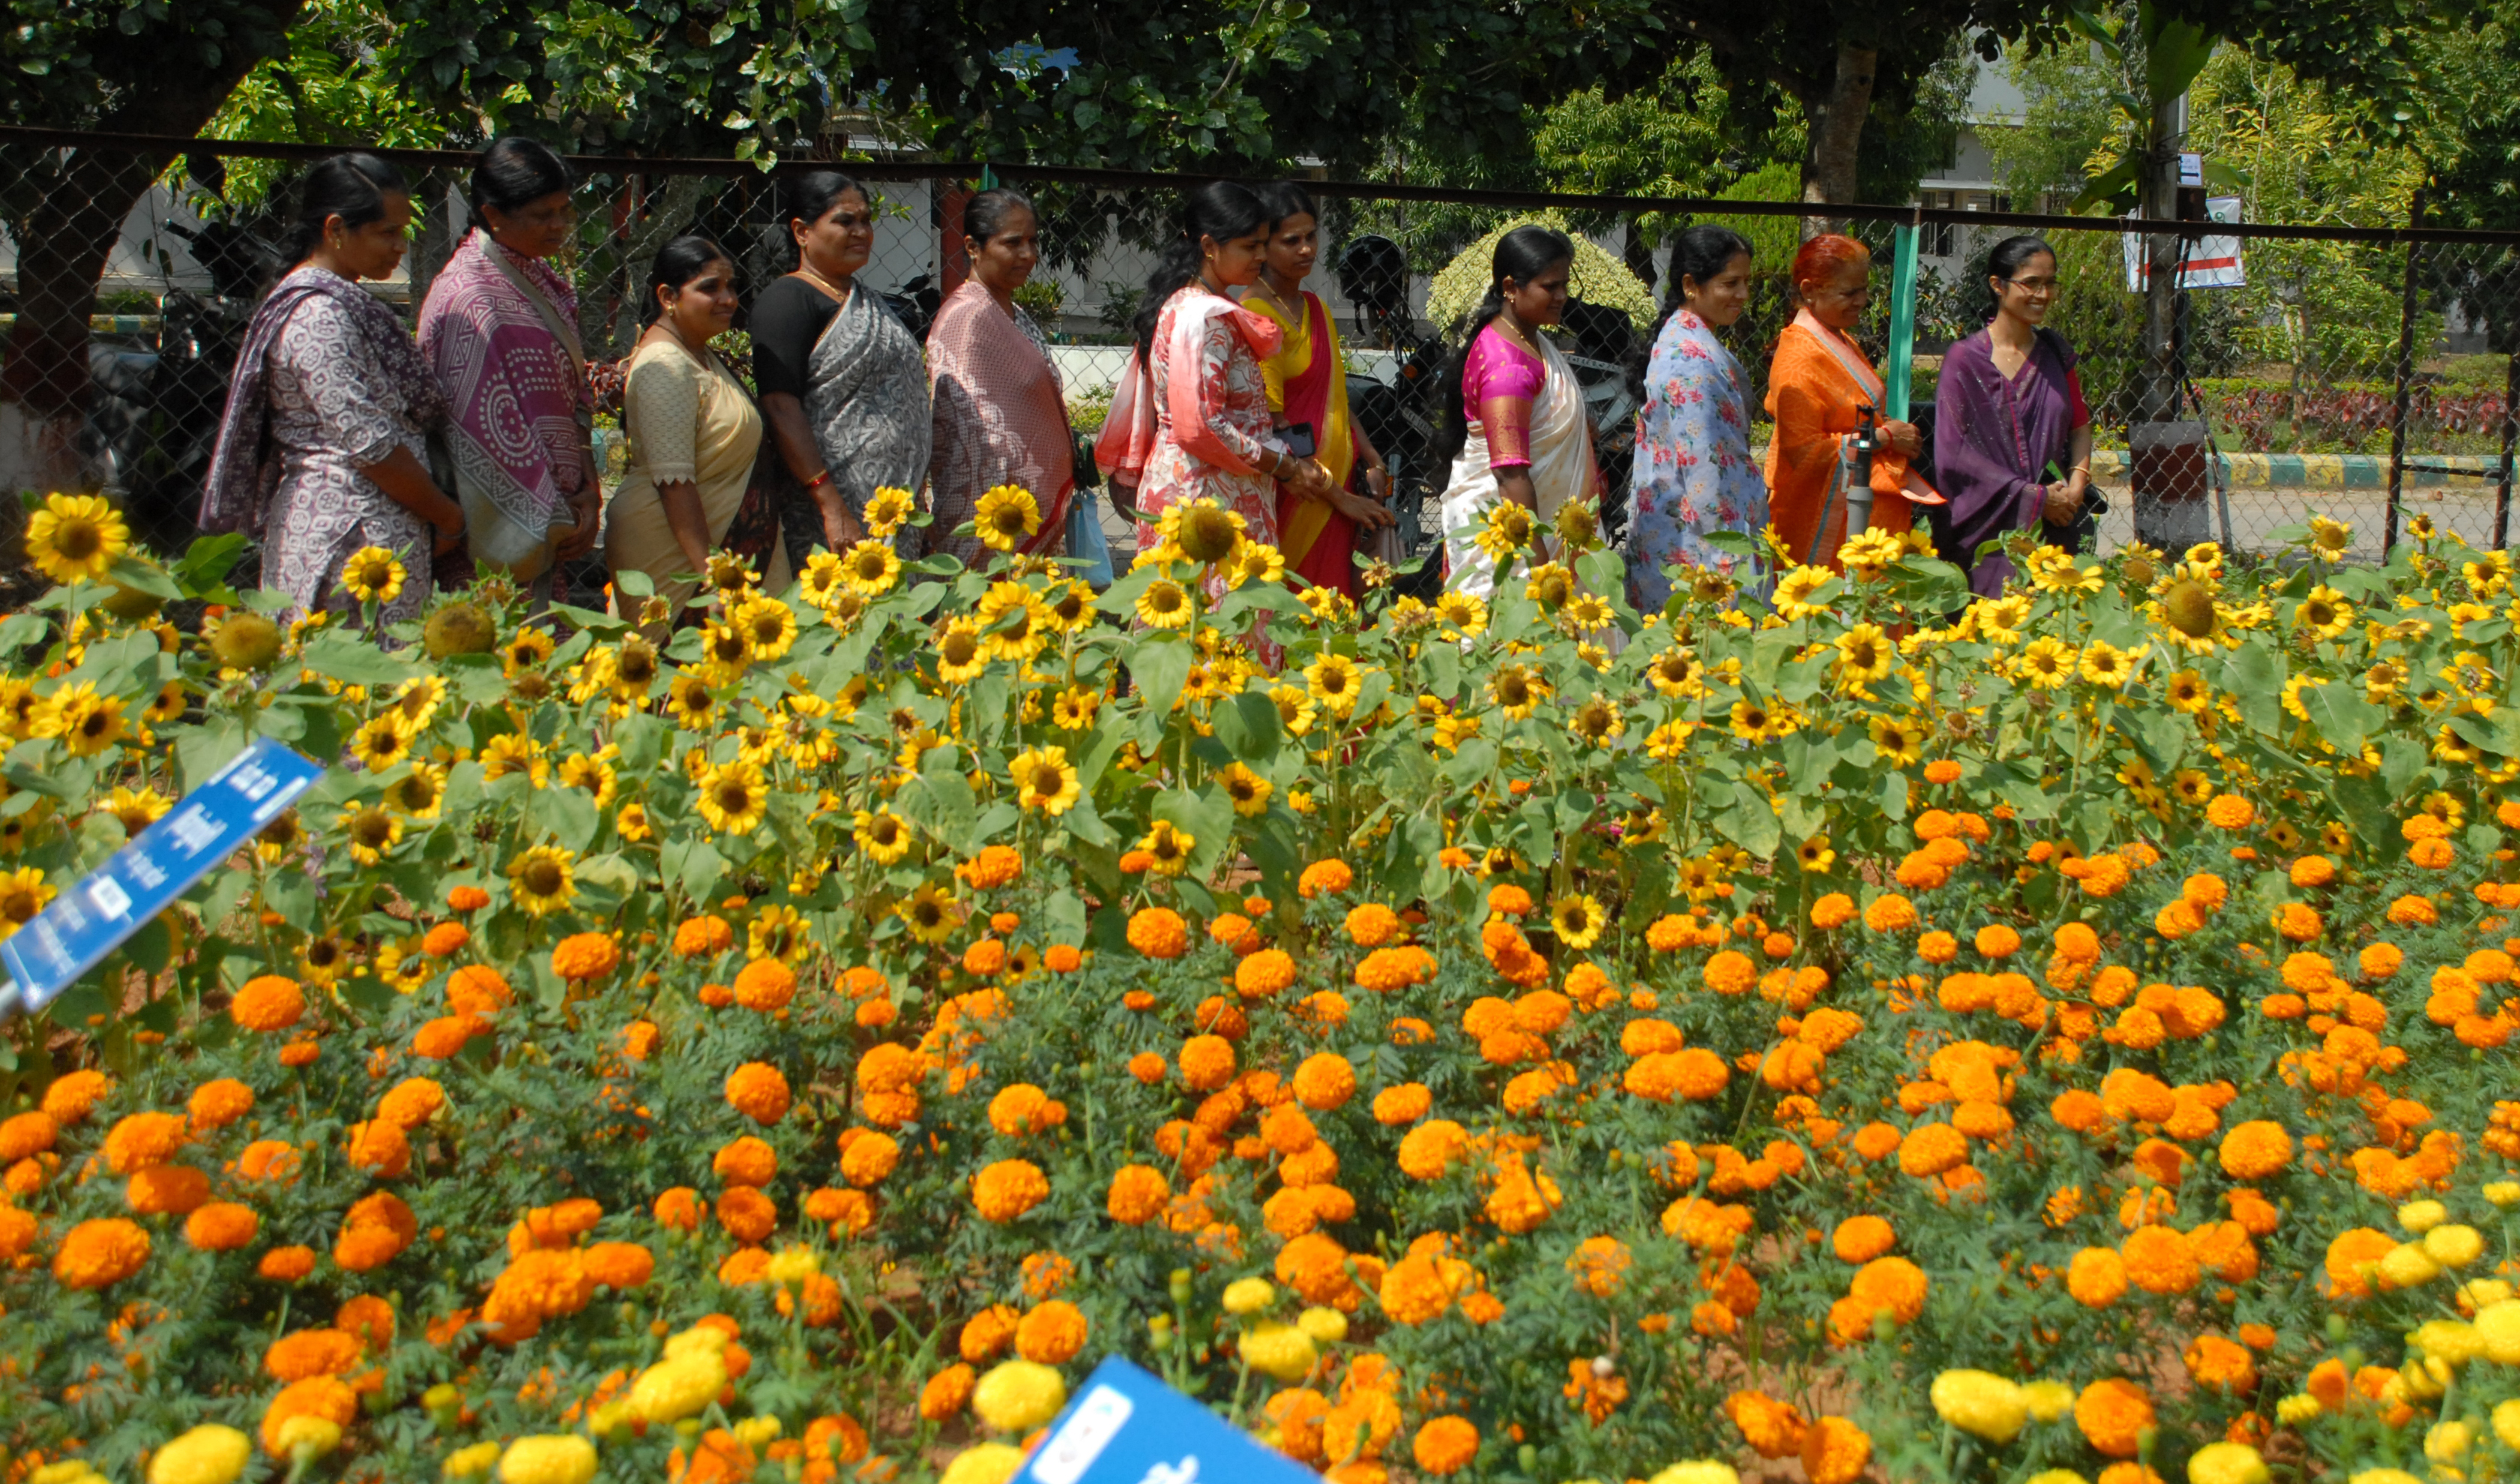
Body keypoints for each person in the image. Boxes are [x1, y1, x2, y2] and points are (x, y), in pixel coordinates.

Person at [200, 153, 458, 624]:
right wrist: (447, 516)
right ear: (336, 229)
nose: (400, 246)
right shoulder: (319, 316)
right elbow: (372, 446)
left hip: (364, 532)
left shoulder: (341, 303)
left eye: (402, 231)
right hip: (347, 539)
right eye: (387, 232)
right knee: (350, 682)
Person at [1099, 181, 1331, 556]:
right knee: (1208, 613)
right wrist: (1283, 466)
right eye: (1250, 246)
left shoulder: (1203, 305)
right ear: (1209, 246)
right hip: (1202, 503)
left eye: (1262, 243)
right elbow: (1202, 426)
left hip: (1216, 491)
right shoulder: (1202, 316)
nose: (1261, 256)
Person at [417, 136, 601, 597]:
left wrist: (588, 485)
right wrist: (544, 511)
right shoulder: (467, 298)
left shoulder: (541, 281)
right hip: (495, 527)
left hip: (558, 514)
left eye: (565, 210)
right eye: (543, 215)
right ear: (494, 215)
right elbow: (468, 427)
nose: (560, 225)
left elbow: (573, 393)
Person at [605, 235, 786, 624]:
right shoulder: (665, 365)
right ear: (668, 296)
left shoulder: (697, 353)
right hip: (676, 554)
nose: (728, 299)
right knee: (680, 676)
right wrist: (711, 573)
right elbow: (674, 483)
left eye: (731, 286)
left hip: (715, 545)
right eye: (710, 288)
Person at [752, 172, 929, 559]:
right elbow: (781, 405)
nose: (861, 232)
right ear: (801, 231)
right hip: (833, 510)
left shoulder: (866, 300)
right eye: (845, 221)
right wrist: (830, 505)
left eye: (866, 221)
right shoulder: (788, 300)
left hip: (892, 508)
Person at [1244, 181, 1396, 598]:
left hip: (1339, 486)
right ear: (1262, 245)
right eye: (1291, 240)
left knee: (1337, 610)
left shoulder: (1316, 307)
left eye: (1311, 236)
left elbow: (1337, 400)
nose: (1307, 249)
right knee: (1298, 607)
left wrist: (1371, 457)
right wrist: (1338, 497)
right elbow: (1273, 423)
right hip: (1298, 489)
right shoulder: (1254, 312)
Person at [1432, 225, 1603, 597]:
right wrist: (1541, 570)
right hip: (1510, 536)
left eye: (1564, 286)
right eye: (1550, 287)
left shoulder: (1529, 338)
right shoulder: (1505, 367)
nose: (1562, 296)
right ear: (1511, 287)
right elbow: (1511, 474)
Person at [1930, 234, 2096, 595]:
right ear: (1998, 285)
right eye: (2031, 283)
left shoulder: (2054, 355)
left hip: (2053, 530)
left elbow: (2079, 427)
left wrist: (2077, 484)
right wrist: (2035, 499)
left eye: (2051, 283)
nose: (2044, 294)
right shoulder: (1965, 360)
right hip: (1983, 533)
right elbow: (1954, 455)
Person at [1764, 233, 1938, 569]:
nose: (1863, 300)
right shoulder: (1798, 357)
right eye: (1850, 292)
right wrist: (1886, 438)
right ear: (1810, 290)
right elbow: (1804, 452)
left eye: (1865, 289)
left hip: (1859, 513)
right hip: (1829, 521)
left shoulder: (1835, 336)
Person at [926, 188, 1073, 567]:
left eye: (1033, 241)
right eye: (1013, 243)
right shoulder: (967, 320)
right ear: (974, 248)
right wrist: (1009, 507)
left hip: (1032, 510)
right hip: (996, 522)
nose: (1028, 254)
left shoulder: (1013, 312)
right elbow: (970, 433)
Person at [1626, 224, 1766, 612]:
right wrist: (1733, 555)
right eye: (1730, 283)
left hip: (1676, 536)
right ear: (1692, 285)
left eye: (1746, 282)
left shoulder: (1686, 341)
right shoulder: (1691, 360)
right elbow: (1705, 470)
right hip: (1696, 550)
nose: (1742, 295)